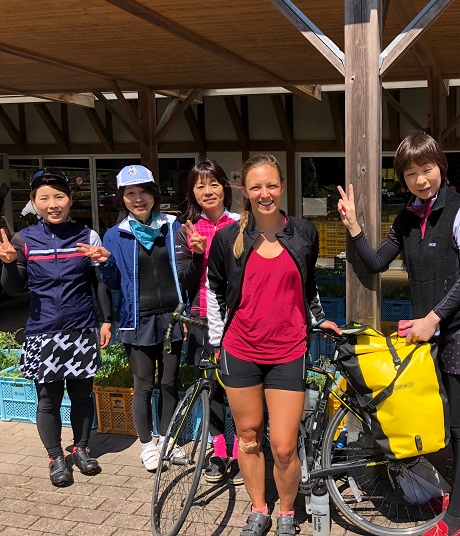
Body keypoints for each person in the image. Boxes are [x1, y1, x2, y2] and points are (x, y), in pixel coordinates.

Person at [337, 131, 460, 536]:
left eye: (427, 170)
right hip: (433, 338)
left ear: (440, 167)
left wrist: (433, 319)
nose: (421, 180)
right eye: (411, 173)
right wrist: (354, 227)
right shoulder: (408, 216)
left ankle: (457, 518)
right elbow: (374, 262)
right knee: (440, 419)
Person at [206, 154, 340, 536]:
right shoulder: (228, 237)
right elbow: (214, 291)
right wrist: (218, 341)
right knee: (248, 439)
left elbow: (307, 282)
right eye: (256, 187)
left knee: (283, 446)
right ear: (244, 192)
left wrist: (318, 317)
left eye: (271, 186)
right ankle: (259, 508)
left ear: (282, 187)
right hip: (240, 349)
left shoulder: (303, 232)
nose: (265, 194)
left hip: (288, 351)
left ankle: (286, 511)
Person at [0, 169, 112, 486]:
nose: (53, 204)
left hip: (80, 329)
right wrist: (8, 263)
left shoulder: (87, 236)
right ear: (34, 202)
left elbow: (100, 284)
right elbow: (12, 289)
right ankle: (55, 457)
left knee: (82, 396)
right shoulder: (24, 240)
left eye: (59, 196)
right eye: (44, 198)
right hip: (42, 331)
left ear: (70, 200)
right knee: (48, 400)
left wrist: (106, 320)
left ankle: (81, 448)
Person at [98, 165, 186, 472]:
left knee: (170, 382)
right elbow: (109, 282)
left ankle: (168, 441)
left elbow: (186, 271)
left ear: (154, 194)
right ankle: (147, 445)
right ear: (122, 198)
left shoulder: (173, 227)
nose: (139, 199)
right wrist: (107, 318)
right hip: (136, 319)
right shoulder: (115, 235)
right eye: (130, 193)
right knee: (144, 385)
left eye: (144, 192)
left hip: (172, 318)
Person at [175, 159, 242, 485]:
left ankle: (244, 449)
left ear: (224, 187)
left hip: (238, 319)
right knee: (212, 389)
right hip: (203, 320)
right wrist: (198, 254)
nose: (207, 191)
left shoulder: (242, 224)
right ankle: (219, 452)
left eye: (213, 183)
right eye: (200, 186)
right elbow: (185, 281)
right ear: (193, 192)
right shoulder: (187, 228)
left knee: (243, 389)